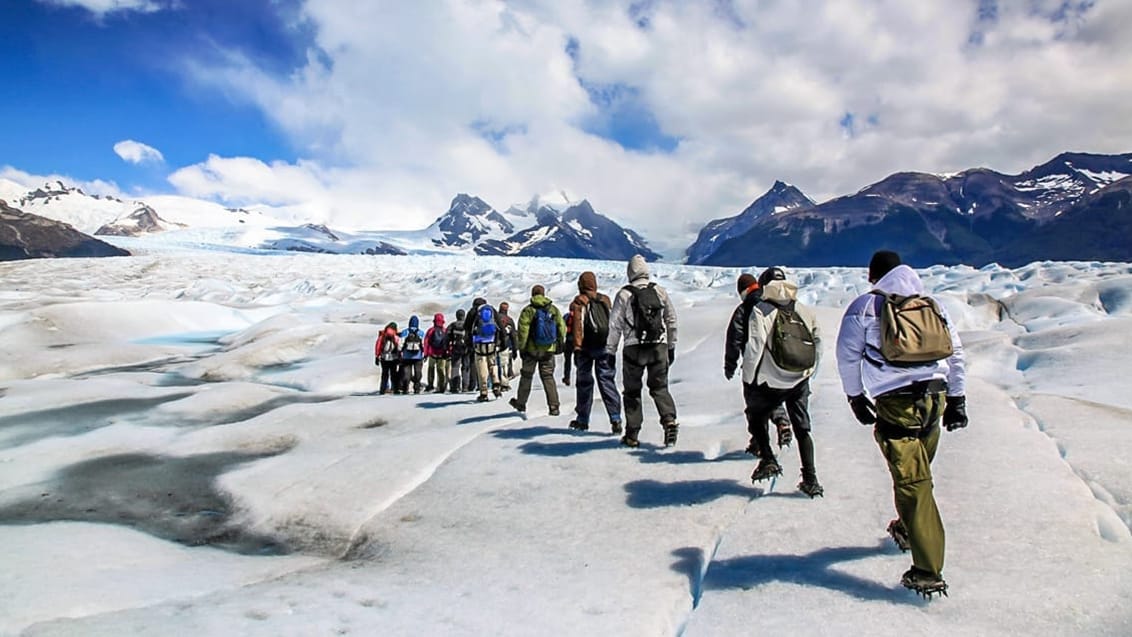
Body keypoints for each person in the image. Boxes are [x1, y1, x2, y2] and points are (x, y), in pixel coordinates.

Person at [835, 250, 968, 599]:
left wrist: (854, 396)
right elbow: (955, 353)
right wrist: (957, 399)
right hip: (934, 399)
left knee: (913, 483)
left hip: (896, 404)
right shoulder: (932, 305)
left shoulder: (866, 307)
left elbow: (847, 355)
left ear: (874, 275)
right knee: (918, 474)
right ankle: (909, 529)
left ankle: (927, 570)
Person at [728, 267, 823, 497]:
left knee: (756, 414)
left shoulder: (761, 310)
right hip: (799, 379)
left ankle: (768, 458)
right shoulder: (802, 308)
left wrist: (749, 379)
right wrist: (810, 373)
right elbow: (818, 342)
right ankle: (810, 478)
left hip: (771, 380)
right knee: (803, 428)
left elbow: (755, 348)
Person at [606, 254, 678, 447]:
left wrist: (610, 352)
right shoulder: (659, 291)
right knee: (660, 387)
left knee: (632, 392)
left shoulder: (624, 294)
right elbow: (671, 320)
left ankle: (632, 435)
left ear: (630, 272)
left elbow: (615, 326)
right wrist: (671, 346)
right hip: (658, 346)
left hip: (633, 348)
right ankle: (669, 420)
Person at [724, 272, 796, 456]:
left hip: (754, 363)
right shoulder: (771, 302)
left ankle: (759, 441)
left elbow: (734, 338)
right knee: (773, 395)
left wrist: (730, 364)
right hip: (778, 361)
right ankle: (782, 422)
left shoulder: (743, 309)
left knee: (755, 405)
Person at [567, 271, 623, 433]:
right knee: (607, 381)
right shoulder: (605, 299)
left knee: (584, 383)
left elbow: (578, 324)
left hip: (585, 348)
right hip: (605, 346)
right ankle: (615, 418)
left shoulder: (579, 301)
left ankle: (583, 419)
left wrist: (577, 347)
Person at [509, 284, 567, 416]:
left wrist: (521, 348)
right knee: (548, 377)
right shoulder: (553, 309)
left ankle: (521, 403)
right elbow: (562, 328)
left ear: (532, 294)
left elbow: (523, 331)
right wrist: (557, 343)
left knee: (527, 376)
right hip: (548, 350)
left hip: (531, 350)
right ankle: (554, 406)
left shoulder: (528, 310)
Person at [466, 297, 509, 402]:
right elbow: (500, 327)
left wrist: (469, 345)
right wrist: (503, 343)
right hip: (492, 343)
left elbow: (467, 328)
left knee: (482, 366)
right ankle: (496, 383)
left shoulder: (473, 311)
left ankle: (484, 392)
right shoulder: (492, 310)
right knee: (492, 363)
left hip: (479, 344)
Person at [398, 315, 426, 394]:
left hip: (406, 357)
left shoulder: (405, 332)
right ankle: (416, 388)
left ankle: (405, 388)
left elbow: (400, 344)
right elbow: (424, 345)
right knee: (418, 373)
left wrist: (400, 353)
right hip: (418, 357)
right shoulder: (421, 333)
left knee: (407, 374)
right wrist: (425, 354)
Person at [423, 312, 450, 394]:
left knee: (431, 369)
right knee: (441, 370)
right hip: (442, 354)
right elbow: (448, 342)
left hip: (432, 353)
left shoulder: (431, 331)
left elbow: (426, 342)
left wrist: (426, 353)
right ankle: (441, 386)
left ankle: (430, 385)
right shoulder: (445, 330)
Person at [447, 308, 471, 393]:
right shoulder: (468, 325)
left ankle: (455, 386)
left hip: (455, 348)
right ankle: (465, 386)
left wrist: (447, 348)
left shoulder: (452, 325)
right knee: (466, 367)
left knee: (455, 367)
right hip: (466, 349)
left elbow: (447, 337)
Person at [374, 322, 400, 395]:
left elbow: (378, 346)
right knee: (393, 374)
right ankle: (395, 389)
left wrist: (377, 356)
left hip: (384, 357)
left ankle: (383, 390)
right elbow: (399, 347)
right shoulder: (395, 336)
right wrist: (399, 357)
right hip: (393, 358)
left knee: (384, 375)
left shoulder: (382, 336)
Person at [497, 301, 519, 380]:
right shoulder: (509, 320)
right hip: (507, 344)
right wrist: (515, 349)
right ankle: (508, 375)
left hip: (495, 344)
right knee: (507, 361)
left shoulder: (494, 318)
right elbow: (513, 336)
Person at [561, 310, 574, 386]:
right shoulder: (580, 315)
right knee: (579, 361)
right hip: (578, 341)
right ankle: (580, 376)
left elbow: (562, 327)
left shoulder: (567, 316)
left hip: (569, 341)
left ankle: (567, 377)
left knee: (567, 360)